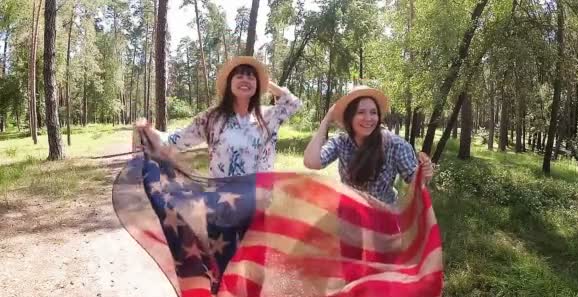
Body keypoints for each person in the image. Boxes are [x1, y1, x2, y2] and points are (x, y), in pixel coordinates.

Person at [135, 56, 302, 177]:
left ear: (258, 86)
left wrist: (266, 83)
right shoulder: (211, 118)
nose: (245, 80)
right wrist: (149, 132)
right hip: (222, 203)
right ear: (229, 84)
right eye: (239, 76)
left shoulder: (268, 116)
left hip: (258, 202)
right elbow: (176, 140)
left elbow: (293, 103)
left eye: (251, 77)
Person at [303, 86, 433, 205]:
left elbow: (414, 181)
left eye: (373, 112)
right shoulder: (341, 141)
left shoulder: (395, 144)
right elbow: (311, 162)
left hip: (382, 219)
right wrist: (326, 120)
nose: (368, 118)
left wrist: (424, 174)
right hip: (349, 214)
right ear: (350, 117)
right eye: (361, 112)